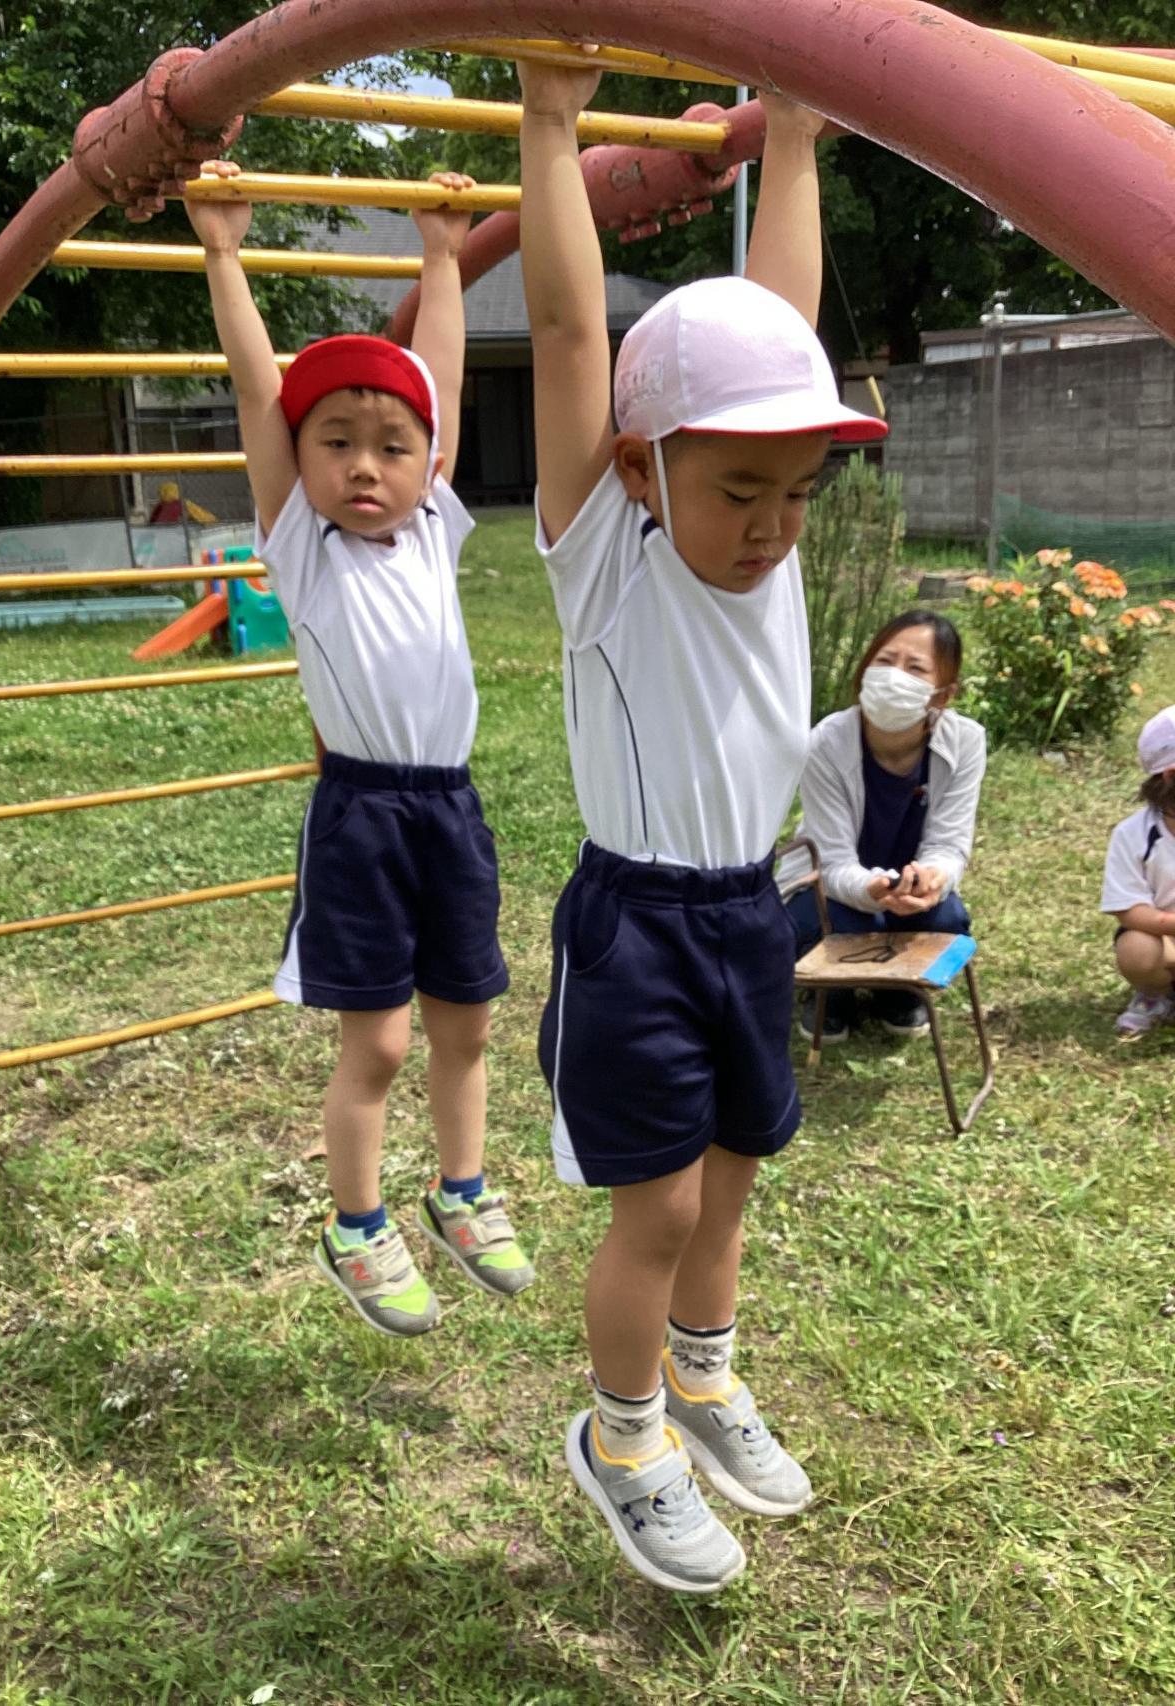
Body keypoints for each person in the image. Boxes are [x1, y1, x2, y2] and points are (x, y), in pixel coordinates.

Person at [518, 58, 887, 1594]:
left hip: (751, 907)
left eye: (799, 491)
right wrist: (551, 120)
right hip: (638, 926)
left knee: (734, 1170)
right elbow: (566, 333)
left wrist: (791, 136)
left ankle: (705, 1372)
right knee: (659, 1201)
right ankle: (621, 1438)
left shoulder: (764, 544)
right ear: (639, 470)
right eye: (743, 488)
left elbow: (779, 323)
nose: (775, 524)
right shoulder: (607, 550)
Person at [184, 163, 533, 1337]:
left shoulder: (431, 528)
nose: (366, 465)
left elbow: (438, 380)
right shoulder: (303, 544)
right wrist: (224, 253)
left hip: (451, 807)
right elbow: (256, 391)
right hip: (364, 816)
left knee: (466, 1019)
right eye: (335, 443)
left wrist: (441, 256)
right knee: (377, 1040)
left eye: (391, 445)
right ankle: (354, 1222)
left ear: (427, 463)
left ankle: (462, 1191)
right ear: (303, 463)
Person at [785, 610, 986, 1042]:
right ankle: (828, 994)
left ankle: (897, 992)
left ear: (943, 694)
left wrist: (933, 880)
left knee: (948, 917)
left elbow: (950, 845)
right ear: (864, 670)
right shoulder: (825, 742)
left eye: (915, 668)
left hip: (910, 893)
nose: (894, 676)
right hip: (834, 892)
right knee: (834, 921)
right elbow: (830, 862)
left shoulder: (965, 741)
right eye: (884, 661)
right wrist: (872, 890)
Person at [1102, 703, 1175, 1038]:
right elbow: (1129, 910)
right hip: (1166, 942)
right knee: (1136, 949)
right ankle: (1155, 994)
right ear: (1169, 775)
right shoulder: (1133, 835)